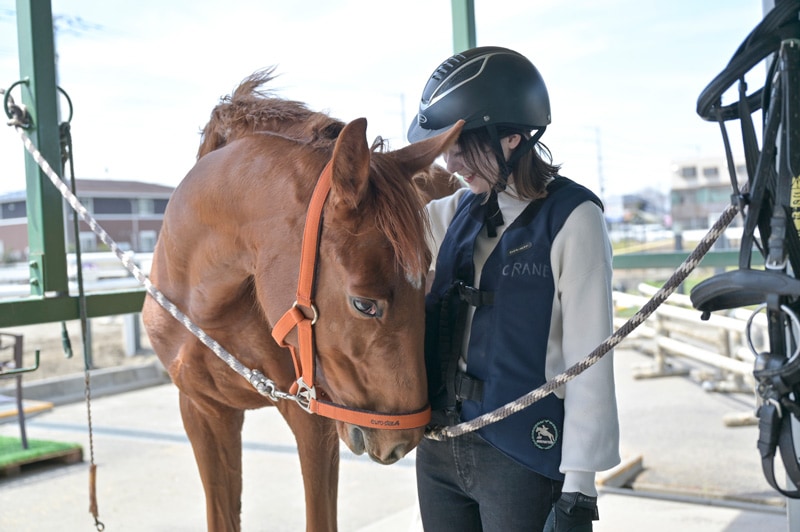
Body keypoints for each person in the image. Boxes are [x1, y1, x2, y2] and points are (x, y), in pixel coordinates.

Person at [407, 46, 621, 531]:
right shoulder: (448, 214)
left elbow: (590, 361)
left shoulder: (574, 220)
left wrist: (579, 493)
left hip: (524, 453)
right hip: (439, 452)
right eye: (446, 145)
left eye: (464, 144)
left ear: (512, 138)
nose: (452, 159)